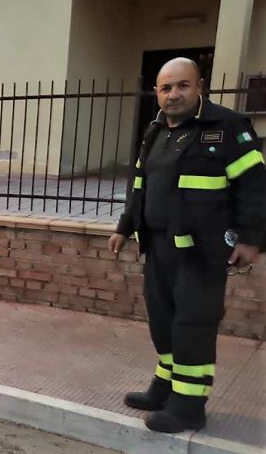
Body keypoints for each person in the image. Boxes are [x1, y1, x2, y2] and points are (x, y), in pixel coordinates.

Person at [109, 58, 266, 433]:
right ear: (157, 93)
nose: (173, 94)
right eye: (165, 88)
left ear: (200, 86)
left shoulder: (227, 127)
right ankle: (165, 388)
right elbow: (139, 184)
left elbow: (255, 187)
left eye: (182, 86)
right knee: (163, 321)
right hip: (159, 246)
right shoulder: (156, 130)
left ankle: (189, 406)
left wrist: (252, 239)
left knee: (192, 325)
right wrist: (125, 226)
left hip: (203, 252)